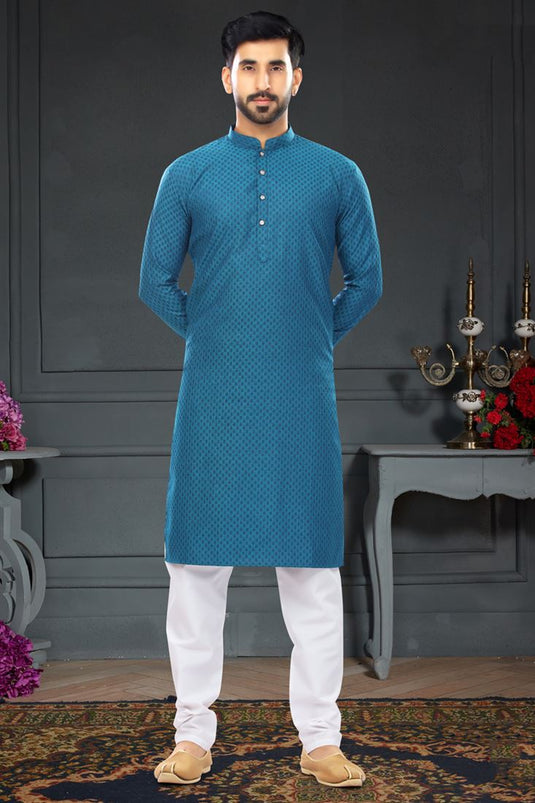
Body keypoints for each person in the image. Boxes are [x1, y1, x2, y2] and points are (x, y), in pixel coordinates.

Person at [139, 9, 382, 789]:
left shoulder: (337, 175)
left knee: (310, 568)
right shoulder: (187, 174)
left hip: (301, 396)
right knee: (195, 568)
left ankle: (320, 739)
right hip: (212, 395)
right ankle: (191, 735)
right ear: (226, 77)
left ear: (296, 78)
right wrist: (214, 335)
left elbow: (366, 281)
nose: (262, 80)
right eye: (248, 66)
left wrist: (307, 338)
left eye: (275, 66)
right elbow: (154, 280)